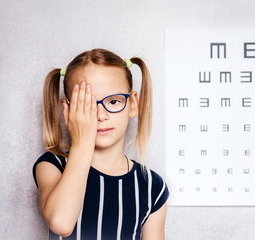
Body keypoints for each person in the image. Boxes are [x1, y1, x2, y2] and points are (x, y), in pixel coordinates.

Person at [32, 48, 169, 240]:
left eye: (113, 102)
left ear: (132, 105)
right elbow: (61, 223)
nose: (101, 115)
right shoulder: (52, 166)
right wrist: (82, 143)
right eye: (87, 105)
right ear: (68, 111)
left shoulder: (152, 187)